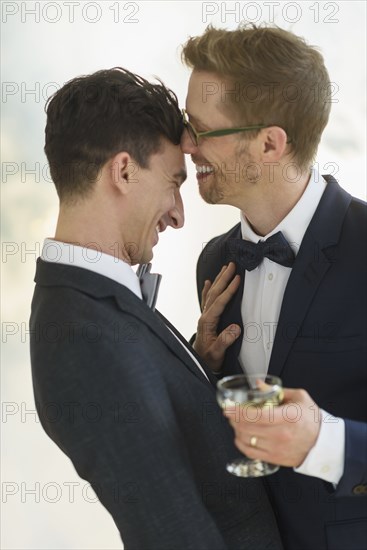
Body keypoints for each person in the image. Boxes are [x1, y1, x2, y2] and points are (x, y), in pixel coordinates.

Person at [29, 67, 283, 550]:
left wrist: (193, 362)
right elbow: (173, 534)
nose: (179, 213)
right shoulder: (83, 340)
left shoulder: (87, 302)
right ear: (123, 171)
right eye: (173, 182)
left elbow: (154, 417)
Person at [180, 25, 367, 550]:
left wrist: (327, 442)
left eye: (200, 129)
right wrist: (207, 368)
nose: (185, 146)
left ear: (269, 142)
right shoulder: (215, 262)